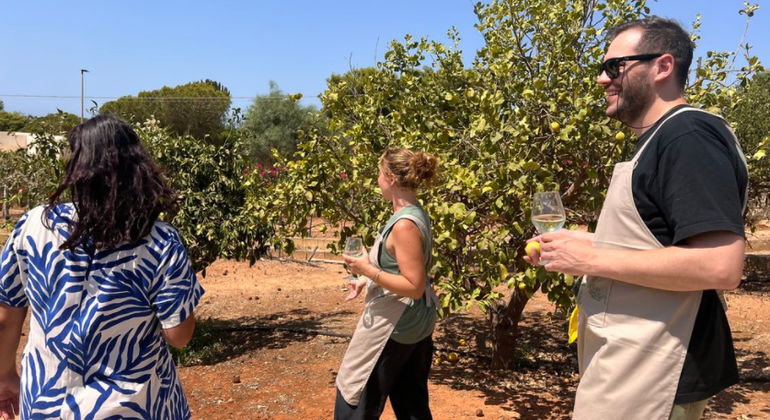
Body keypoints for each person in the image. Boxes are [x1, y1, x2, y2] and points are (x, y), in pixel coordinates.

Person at [525, 16, 748, 420]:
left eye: (614, 66)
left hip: (656, 375)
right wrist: (585, 243)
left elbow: (721, 265)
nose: (601, 79)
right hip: (630, 364)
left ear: (662, 66)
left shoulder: (688, 136)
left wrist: (588, 261)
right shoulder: (659, 140)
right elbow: (659, 246)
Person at [0, 115, 204, 420]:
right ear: (138, 167)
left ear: (76, 167)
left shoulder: (32, 225)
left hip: (47, 404)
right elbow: (179, 336)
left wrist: (4, 375)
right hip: (138, 406)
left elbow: (6, 317)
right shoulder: (158, 238)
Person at [334, 148, 439, 420]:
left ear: (391, 179)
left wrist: (368, 269)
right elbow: (399, 263)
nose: (377, 181)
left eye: (379, 175)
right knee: (411, 403)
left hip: (396, 325)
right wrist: (362, 279)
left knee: (354, 397)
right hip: (417, 324)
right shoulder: (415, 212)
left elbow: (414, 285)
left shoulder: (405, 225)